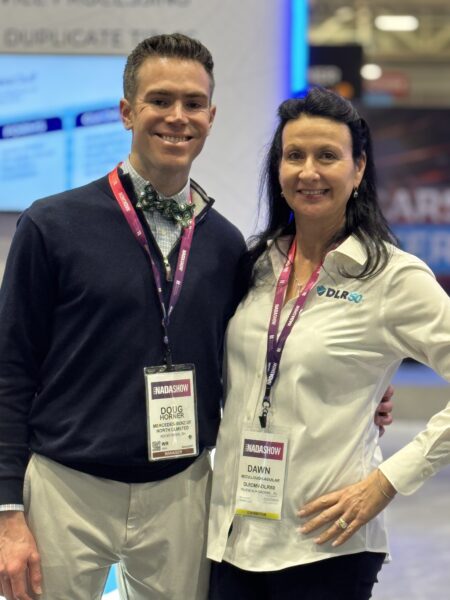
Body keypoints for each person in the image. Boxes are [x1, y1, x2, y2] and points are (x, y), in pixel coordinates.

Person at [0, 37, 392, 600]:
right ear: (127, 111)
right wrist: (7, 511)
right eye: (160, 100)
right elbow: (10, 371)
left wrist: (359, 389)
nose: (177, 117)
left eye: (193, 103)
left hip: (182, 487)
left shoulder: (227, 245)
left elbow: (252, 354)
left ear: (211, 116)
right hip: (67, 485)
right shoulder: (52, 226)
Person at [207, 86, 450, 600]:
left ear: (358, 169)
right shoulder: (257, 266)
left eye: (327, 156)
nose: (309, 172)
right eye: (294, 155)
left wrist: (386, 481)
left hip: (325, 546)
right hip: (232, 539)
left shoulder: (393, 277)